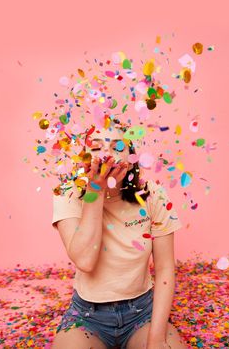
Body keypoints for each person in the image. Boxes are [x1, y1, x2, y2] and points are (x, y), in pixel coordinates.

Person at [51, 123, 188, 349]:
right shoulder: (68, 193)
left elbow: (164, 269)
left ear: (131, 156)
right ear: (84, 159)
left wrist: (156, 339)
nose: (107, 154)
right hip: (86, 317)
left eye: (117, 147)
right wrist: (95, 190)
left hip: (142, 314)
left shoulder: (153, 195)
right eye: (96, 149)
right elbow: (85, 260)